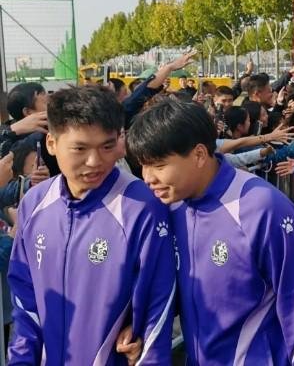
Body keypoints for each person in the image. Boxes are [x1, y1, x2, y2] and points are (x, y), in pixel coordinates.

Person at [126, 98, 294, 365]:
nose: (148, 177)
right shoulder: (169, 208)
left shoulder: (261, 207)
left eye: (159, 165)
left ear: (199, 155)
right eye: (143, 165)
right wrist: (136, 327)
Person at [7, 85, 176, 364]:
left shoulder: (142, 207)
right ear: (52, 143)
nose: (95, 161)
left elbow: (158, 307)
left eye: (107, 146)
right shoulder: (35, 203)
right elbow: (25, 299)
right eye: (80, 148)